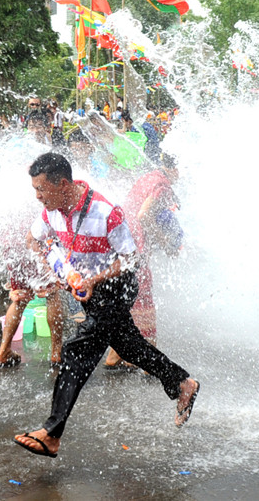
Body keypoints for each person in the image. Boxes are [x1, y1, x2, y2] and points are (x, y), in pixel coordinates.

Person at [13, 153, 199, 458]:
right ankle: (182, 383)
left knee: (77, 352)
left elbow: (130, 260)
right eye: (35, 190)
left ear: (62, 184)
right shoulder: (50, 213)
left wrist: (94, 279)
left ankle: (52, 432)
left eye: (41, 190)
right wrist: (57, 270)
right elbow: (33, 241)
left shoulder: (105, 212)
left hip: (115, 288)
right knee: (129, 347)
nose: (38, 197)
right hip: (89, 291)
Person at [104, 154, 184, 368]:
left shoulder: (150, 177)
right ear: (175, 168)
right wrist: (165, 241)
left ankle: (117, 355)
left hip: (121, 239)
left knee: (128, 298)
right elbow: (144, 215)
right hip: (134, 245)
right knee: (143, 296)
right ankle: (149, 362)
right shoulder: (162, 185)